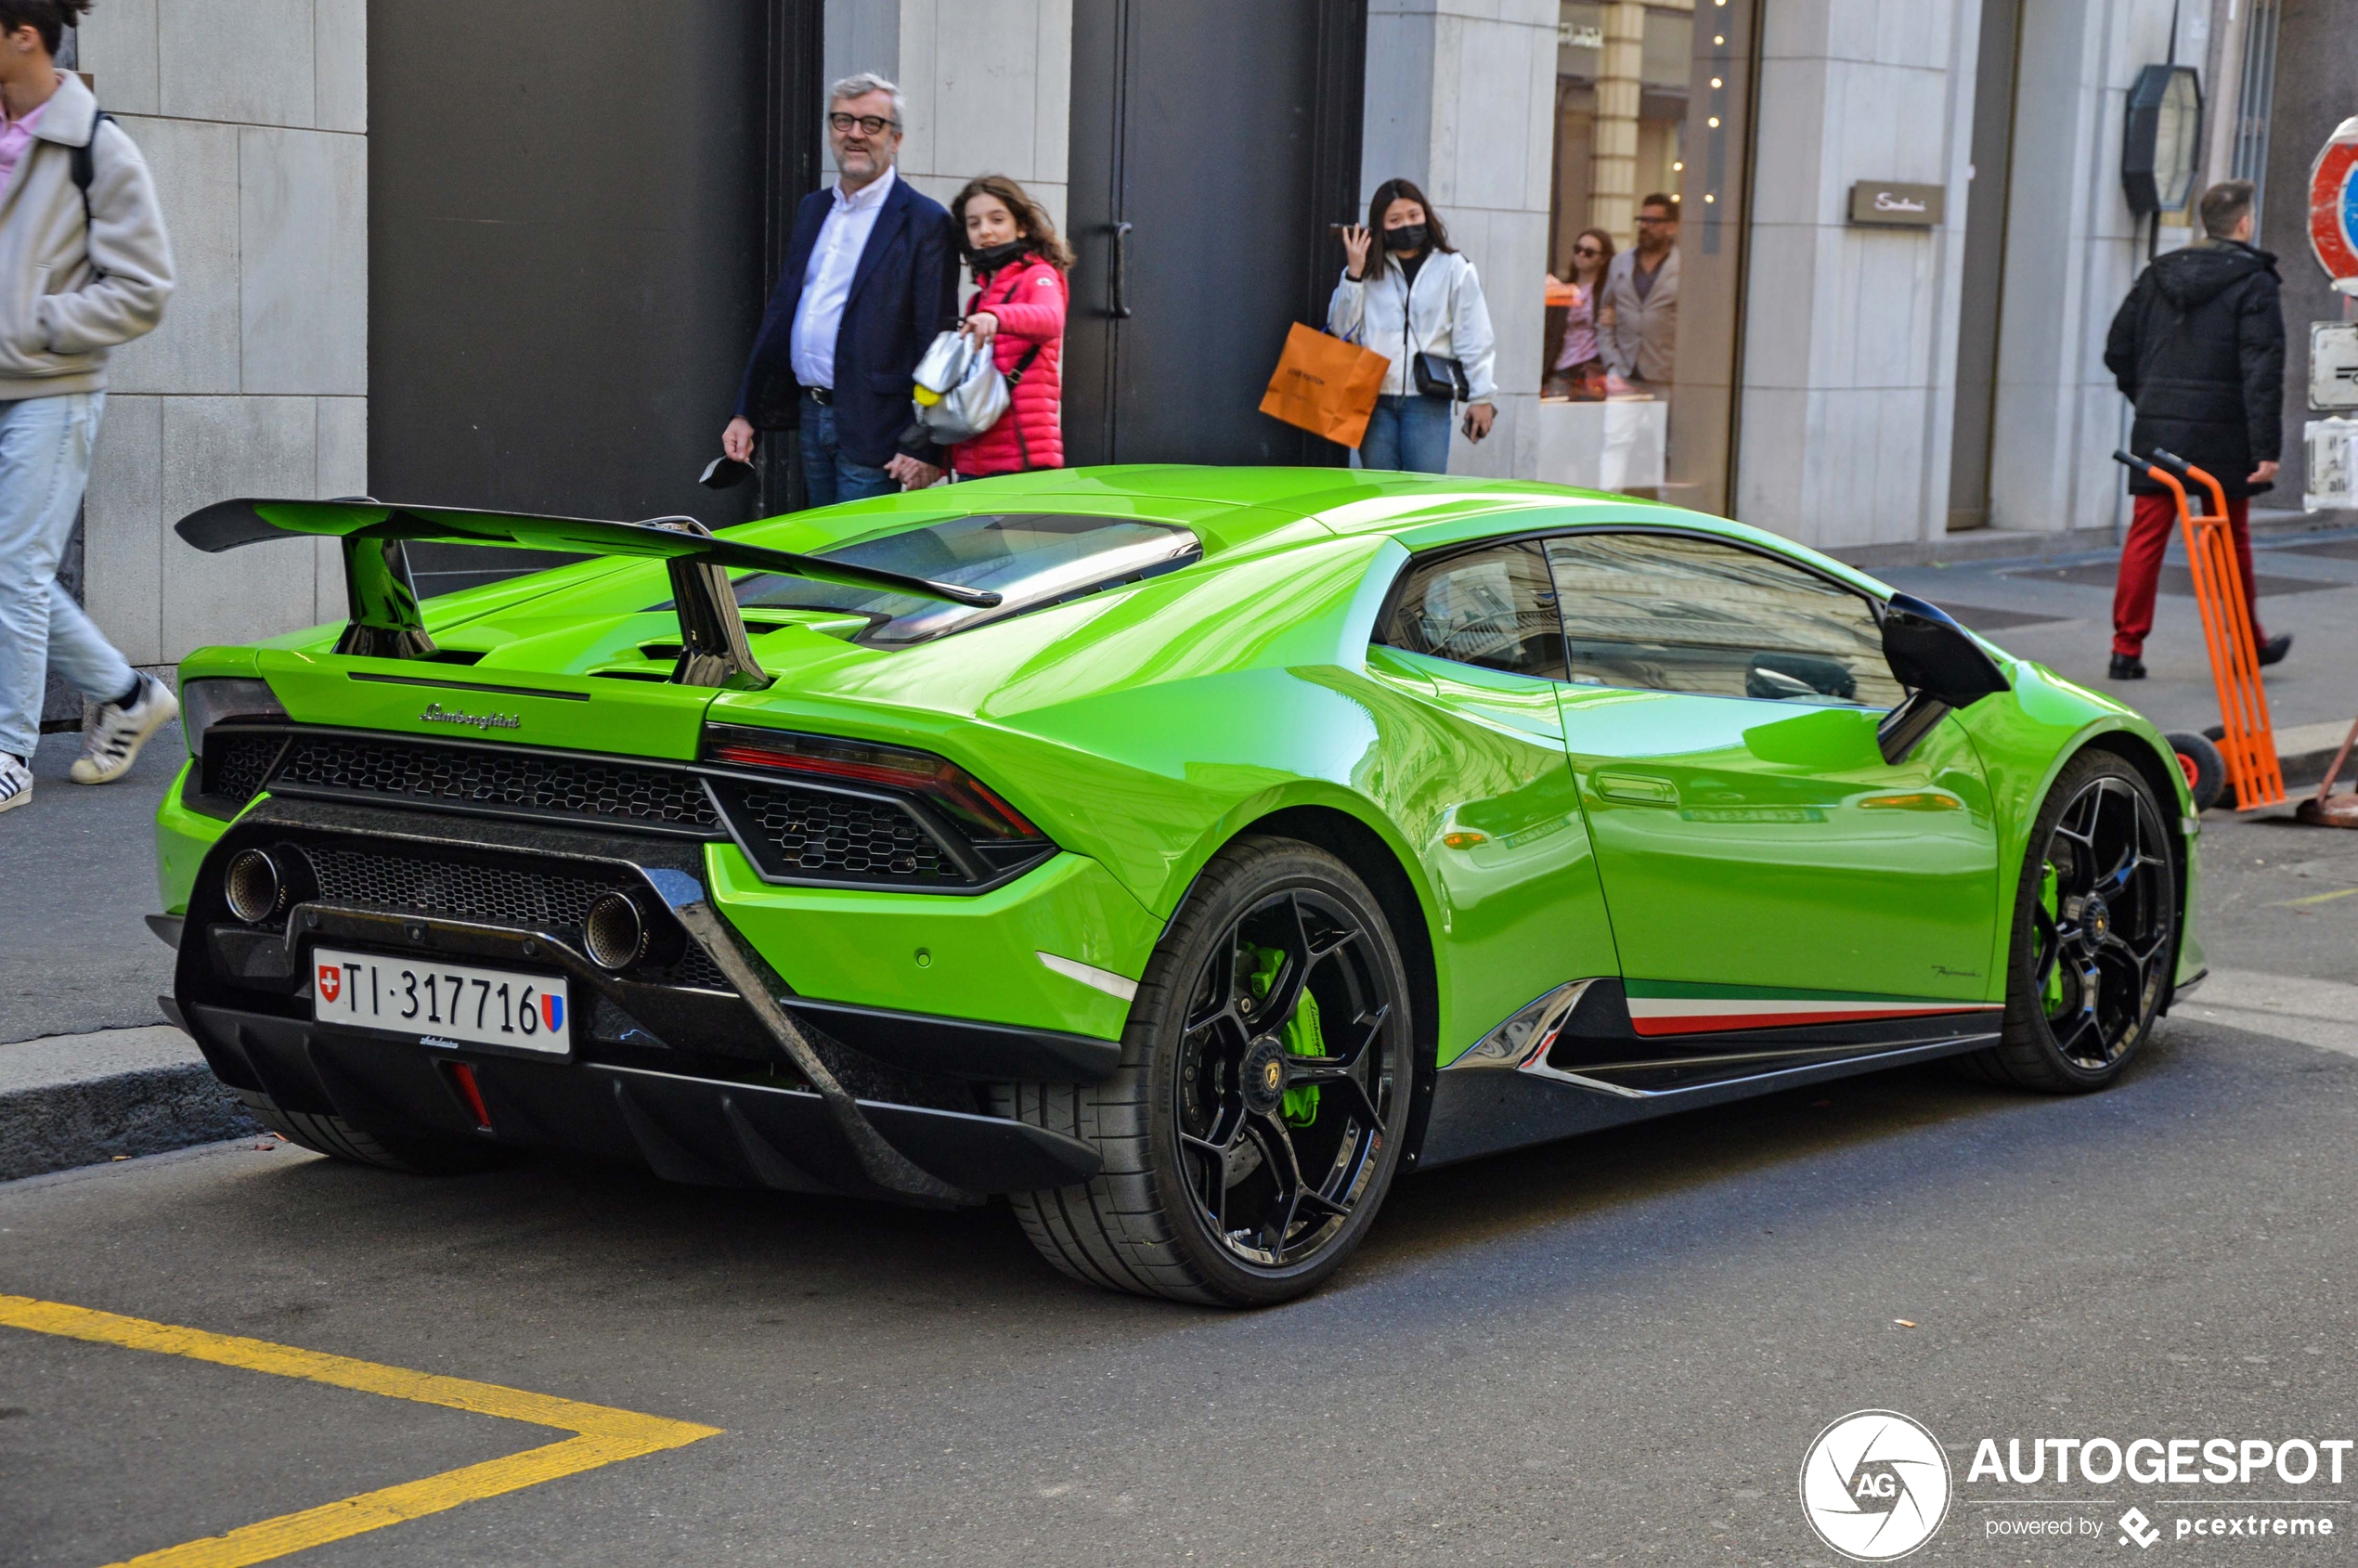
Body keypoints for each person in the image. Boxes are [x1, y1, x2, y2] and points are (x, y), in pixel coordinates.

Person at [0, 0, 176, 816]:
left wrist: (39, 323)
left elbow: (145, 291)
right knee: (14, 573)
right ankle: (128, 694)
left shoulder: (97, 146)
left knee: (15, 573)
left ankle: (8, 752)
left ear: (21, 34)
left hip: (53, 391)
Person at [722, 72, 958, 508]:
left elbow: (937, 341)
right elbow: (784, 311)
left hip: (880, 429)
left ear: (896, 139)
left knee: (864, 561)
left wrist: (925, 446)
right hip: (811, 416)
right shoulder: (814, 209)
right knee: (824, 554)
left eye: (871, 124)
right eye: (843, 121)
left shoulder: (925, 222)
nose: (855, 134)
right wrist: (746, 411)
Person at [2102, 178, 2290, 680]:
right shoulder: (2255, 281)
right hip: (2225, 433)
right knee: (2230, 541)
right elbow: (2261, 370)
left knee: (2146, 536)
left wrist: (2149, 399)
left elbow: (2117, 350)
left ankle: (2126, 651)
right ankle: (2247, 644)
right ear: (2244, 223)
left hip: (2158, 429)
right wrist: (2265, 446)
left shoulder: (2158, 274)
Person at [1328, 177, 1496, 473]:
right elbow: (1341, 328)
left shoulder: (1454, 267)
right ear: (1381, 226)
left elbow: (1474, 335)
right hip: (1372, 397)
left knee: (1423, 494)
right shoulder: (1367, 269)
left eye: (1414, 216)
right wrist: (1354, 274)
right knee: (1379, 492)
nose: (1407, 225)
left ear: (1426, 216)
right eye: (1395, 219)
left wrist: (1481, 397)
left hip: (1427, 400)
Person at [945, 175, 1070, 478]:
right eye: (974, 224)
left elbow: (1051, 318)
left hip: (1023, 462)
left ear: (1022, 226)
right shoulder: (978, 299)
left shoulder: (1038, 274)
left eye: (997, 219)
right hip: (973, 460)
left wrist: (998, 317)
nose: (985, 231)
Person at [1600, 193, 1678, 391]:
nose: (1644, 227)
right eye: (1641, 220)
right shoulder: (1620, 263)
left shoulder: (1684, 267)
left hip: (1666, 376)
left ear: (1671, 227)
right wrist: (1611, 362)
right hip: (1623, 373)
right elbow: (1605, 314)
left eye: (1653, 221)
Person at [1545, 227, 1615, 400]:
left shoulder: (1607, 293)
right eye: (1578, 249)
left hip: (1591, 370)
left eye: (1589, 252)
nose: (1581, 255)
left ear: (1603, 259)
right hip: (1561, 367)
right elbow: (1550, 332)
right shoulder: (1563, 289)